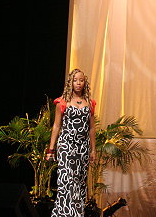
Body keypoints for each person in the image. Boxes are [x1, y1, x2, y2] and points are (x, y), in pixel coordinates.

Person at [46, 68, 96, 217]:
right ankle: (63, 213)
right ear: (70, 83)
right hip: (66, 145)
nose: (78, 83)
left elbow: (92, 128)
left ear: (85, 83)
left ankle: (77, 213)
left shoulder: (89, 103)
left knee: (79, 181)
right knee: (67, 179)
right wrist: (51, 149)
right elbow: (56, 126)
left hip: (83, 147)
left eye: (81, 80)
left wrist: (93, 149)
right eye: (75, 80)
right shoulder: (62, 102)